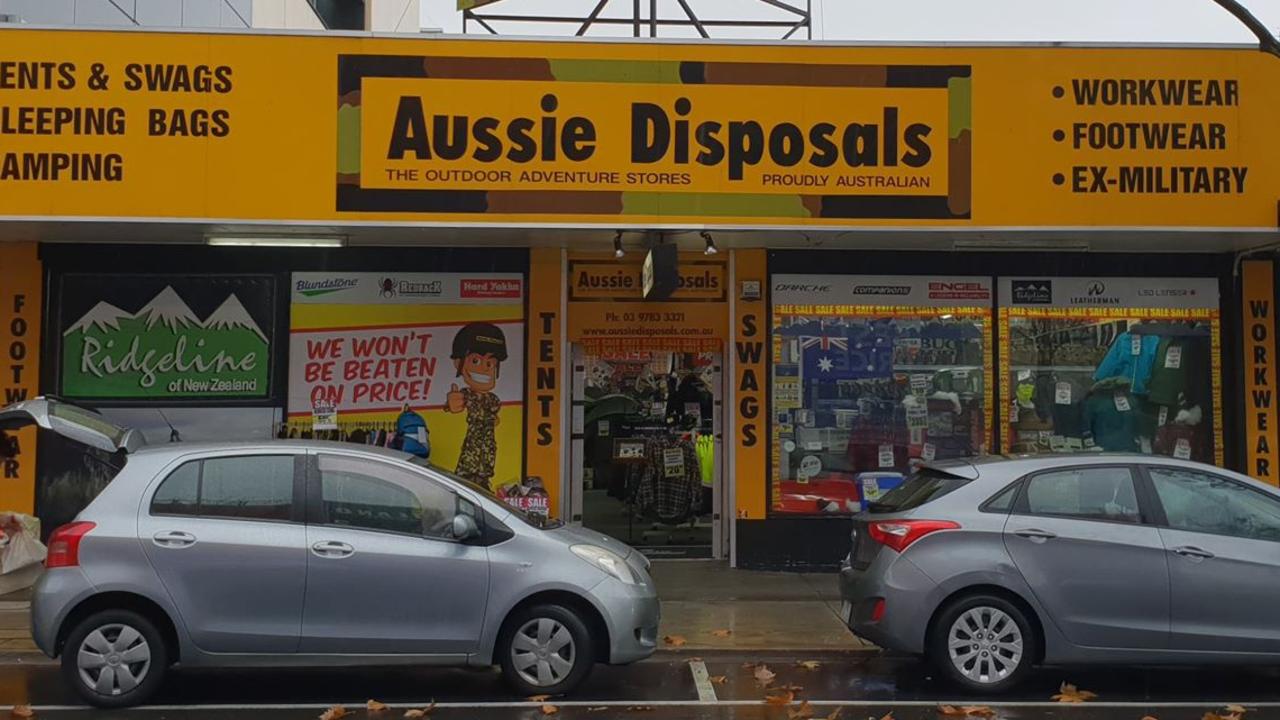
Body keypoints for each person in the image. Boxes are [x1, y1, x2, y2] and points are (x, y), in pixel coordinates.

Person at [445, 322, 508, 489]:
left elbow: (495, 416)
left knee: (483, 484)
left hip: (487, 456)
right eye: (475, 360)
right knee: (464, 484)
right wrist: (452, 403)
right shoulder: (466, 395)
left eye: (490, 364)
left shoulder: (493, 399)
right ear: (458, 363)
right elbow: (455, 403)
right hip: (470, 459)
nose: (484, 369)